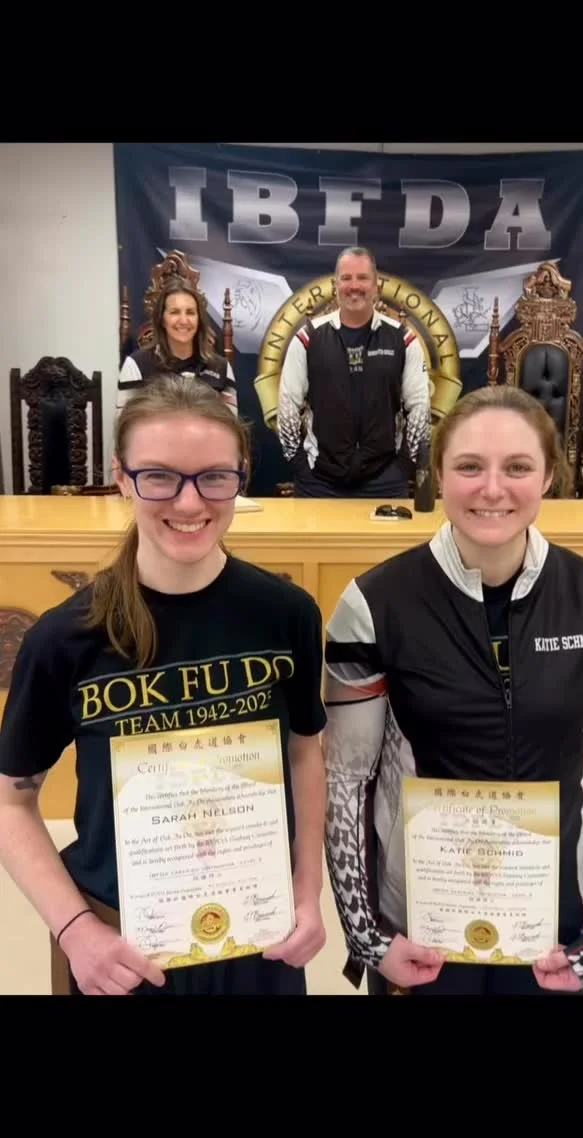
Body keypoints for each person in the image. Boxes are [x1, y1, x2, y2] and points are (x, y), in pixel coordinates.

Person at [0, 375, 327, 996]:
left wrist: (307, 892)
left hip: (261, 933)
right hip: (120, 948)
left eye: (214, 477)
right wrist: (74, 930)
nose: (189, 502)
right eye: (158, 476)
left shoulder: (286, 615)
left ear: (241, 476)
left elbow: (306, 752)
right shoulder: (66, 637)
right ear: (122, 479)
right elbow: (10, 802)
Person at [322, 383, 583, 996]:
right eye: (469, 466)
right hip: (421, 927)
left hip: (558, 930)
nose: (493, 489)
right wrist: (369, 938)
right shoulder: (372, 605)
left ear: (548, 476)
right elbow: (345, 782)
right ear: (438, 475)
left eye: (517, 467)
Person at [276, 246, 430, 499]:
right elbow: (287, 407)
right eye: (346, 278)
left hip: (385, 483)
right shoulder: (308, 338)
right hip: (319, 482)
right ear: (336, 285)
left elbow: (420, 408)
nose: (354, 286)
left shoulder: (403, 339)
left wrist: (402, 468)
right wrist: (302, 467)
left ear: (376, 285)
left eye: (362, 278)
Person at [117, 278, 238, 416]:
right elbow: (124, 425)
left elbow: (230, 425)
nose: (183, 321)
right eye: (174, 312)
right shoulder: (136, 366)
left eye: (190, 312)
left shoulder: (221, 368)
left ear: (199, 319)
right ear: (162, 319)